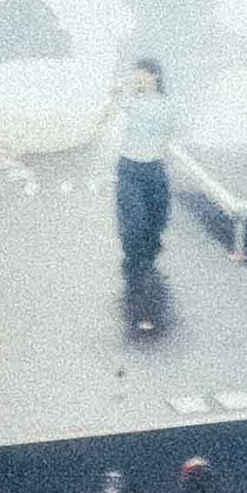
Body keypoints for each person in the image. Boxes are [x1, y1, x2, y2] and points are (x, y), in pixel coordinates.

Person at [110, 58, 173, 335]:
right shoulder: (129, 101)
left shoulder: (166, 105)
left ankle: (149, 250)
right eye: (135, 75)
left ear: (154, 77)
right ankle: (136, 265)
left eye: (142, 75)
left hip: (154, 168)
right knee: (134, 221)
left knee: (156, 220)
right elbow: (104, 116)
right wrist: (116, 95)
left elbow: (172, 129)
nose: (137, 79)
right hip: (130, 168)